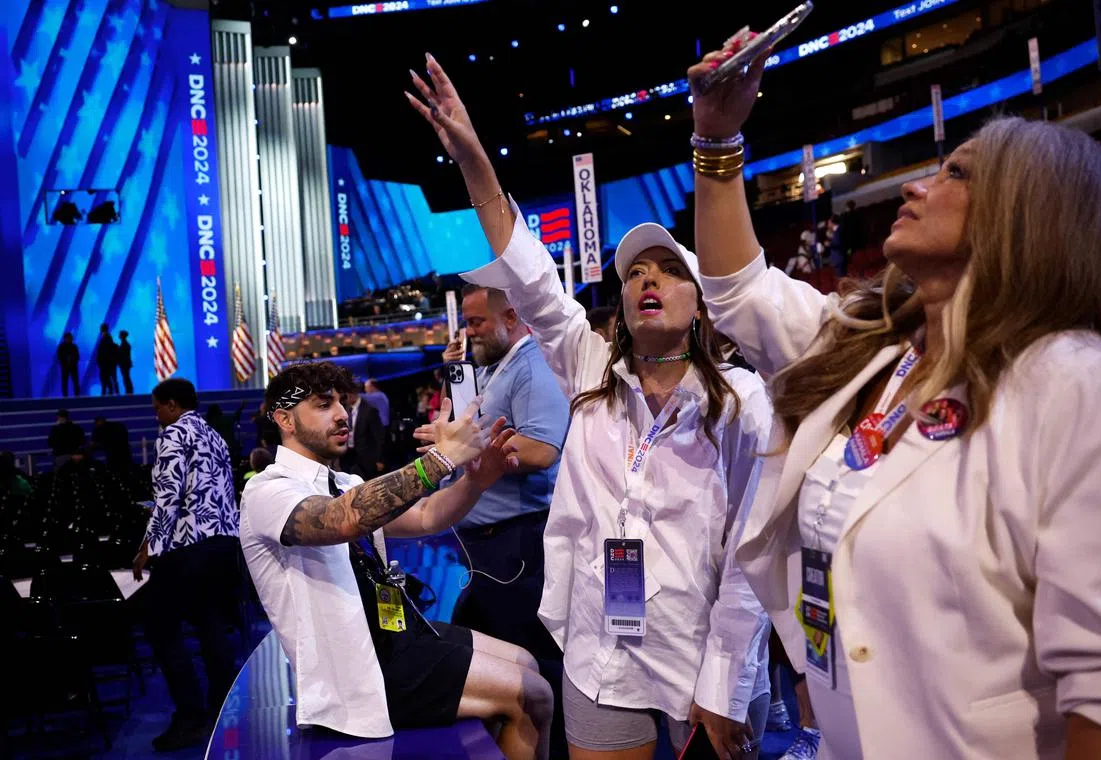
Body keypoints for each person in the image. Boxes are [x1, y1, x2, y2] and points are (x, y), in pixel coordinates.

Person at [688, 45, 1101, 759]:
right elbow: (740, 292)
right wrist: (716, 138)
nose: (914, 189)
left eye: (955, 173)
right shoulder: (871, 351)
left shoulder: (1082, 383)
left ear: (1029, 217)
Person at [408, 55, 771, 760]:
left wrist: (724, 685)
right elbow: (531, 275)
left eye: (668, 271)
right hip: (601, 655)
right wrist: (476, 160)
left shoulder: (739, 401)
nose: (647, 281)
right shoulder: (590, 366)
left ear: (701, 305)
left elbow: (752, 554)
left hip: (704, 655)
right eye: (635, 272)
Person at [240, 362, 554, 760]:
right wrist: (442, 457)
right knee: (534, 697)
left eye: (342, 402)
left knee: (527, 661)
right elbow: (344, 519)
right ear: (284, 418)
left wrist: (478, 479)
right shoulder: (268, 491)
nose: (341, 414)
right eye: (323, 405)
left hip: (397, 636)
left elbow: (427, 516)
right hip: (359, 667)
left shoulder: (346, 483)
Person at [434, 283, 570, 756]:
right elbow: (472, 417)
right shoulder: (498, 367)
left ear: (511, 317)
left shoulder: (533, 369)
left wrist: (473, 450)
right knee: (508, 668)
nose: (469, 332)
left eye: (476, 323)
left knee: (532, 666)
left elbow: (542, 448)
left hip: (516, 542)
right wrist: (455, 372)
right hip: (488, 544)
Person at [133, 378, 242, 751]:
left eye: (158, 408)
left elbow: (168, 495)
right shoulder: (215, 435)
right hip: (226, 544)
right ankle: (225, 710)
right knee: (211, 623)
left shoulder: (173, 435)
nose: (157, 415)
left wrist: (149, 545)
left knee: (159, 626)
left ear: (173, 405)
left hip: (189, 545)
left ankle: (191, 718)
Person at [339, 384, 387, 480]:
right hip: (349, 457)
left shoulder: (369, 410)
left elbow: (379, 437)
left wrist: (380, 460)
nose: (344, 399)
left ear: (352, 393)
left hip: (366, 458)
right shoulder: (345, 410)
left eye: (345, 395)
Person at [96, 323, 119, 396]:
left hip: (106, 362)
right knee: (107, 378)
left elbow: (104, 351)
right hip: (107, 362)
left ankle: (108, 392)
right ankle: (111, 391)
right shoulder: (107, 337)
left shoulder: (106, 337)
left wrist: (102, 361)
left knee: (105, 378)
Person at [57, 332, 80, 397]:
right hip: (65, 367)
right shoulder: (61, 347)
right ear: (65, 339)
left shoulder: (74, 347)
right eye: (68, 338)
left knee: (75, 382)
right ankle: (65, 397)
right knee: (65, 383)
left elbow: (77, 357)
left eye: (70, 338)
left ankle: (77, 397)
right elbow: (59, 357)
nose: (70, 339)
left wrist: (71, 360)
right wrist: (66, 360)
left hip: (73, 367)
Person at [118, 330, 134, 394]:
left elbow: (123, 355)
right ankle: (129, 389)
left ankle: (129, 389)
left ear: (122, 336)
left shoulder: (125, 344)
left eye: (120, 334)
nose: (119, 336)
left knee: (126, 377)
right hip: (125, 363)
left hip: (125, 364)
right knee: (126, 376)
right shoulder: (125, 344)